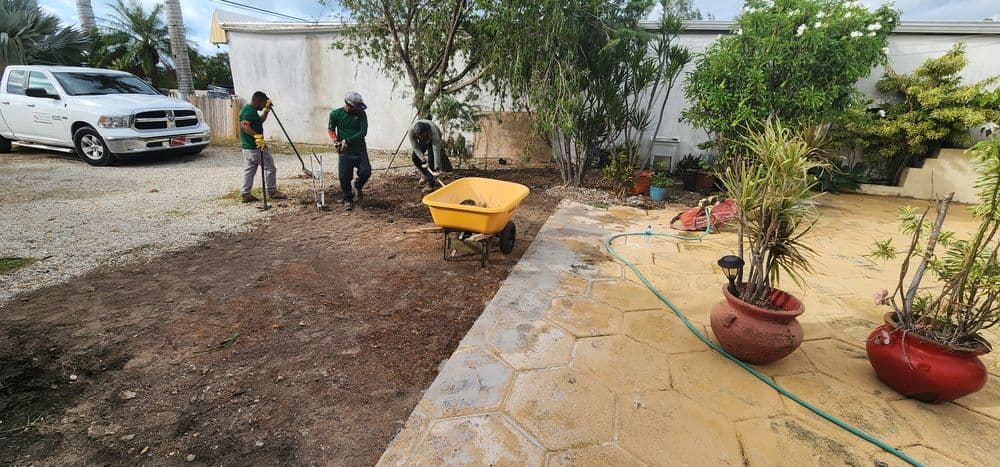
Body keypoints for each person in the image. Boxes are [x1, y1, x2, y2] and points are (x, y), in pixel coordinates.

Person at [239, 91, 287, 203]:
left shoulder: (250, 110)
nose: (263, 106)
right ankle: (272, 191)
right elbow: (244, 126)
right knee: (270, 168)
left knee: (249, 171)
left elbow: (259, 121)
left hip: (247, 148)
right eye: (263, 104)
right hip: (256, 147)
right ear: (258, 100)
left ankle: (246, 193)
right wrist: (256, 136)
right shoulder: (249, 111)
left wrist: (266, 110)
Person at [328, 91, 370, 211]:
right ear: (348, 105)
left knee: (366, 171)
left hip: (360, 149)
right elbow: (331, 129)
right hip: (345, 152)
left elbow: (363, 132)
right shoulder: (335, 114)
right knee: (344, 177)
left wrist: (348, 140)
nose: (358, 110)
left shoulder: (362, 114)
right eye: (356, 108)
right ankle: (348, 199)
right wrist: (336, 141)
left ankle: (358, 185)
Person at [408, 119, 445, 193]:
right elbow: (415, 147)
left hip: (433, 141)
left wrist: (436, 168)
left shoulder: (433, 131)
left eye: (422, 135)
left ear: (426, 131)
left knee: (432, 160)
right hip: (423, 141)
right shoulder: (411, 131)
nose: (421, 137)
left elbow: (436, 150)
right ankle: (426, 175)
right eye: (419, 136)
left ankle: (430, 184)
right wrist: (423, 159)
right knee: (415, 158)